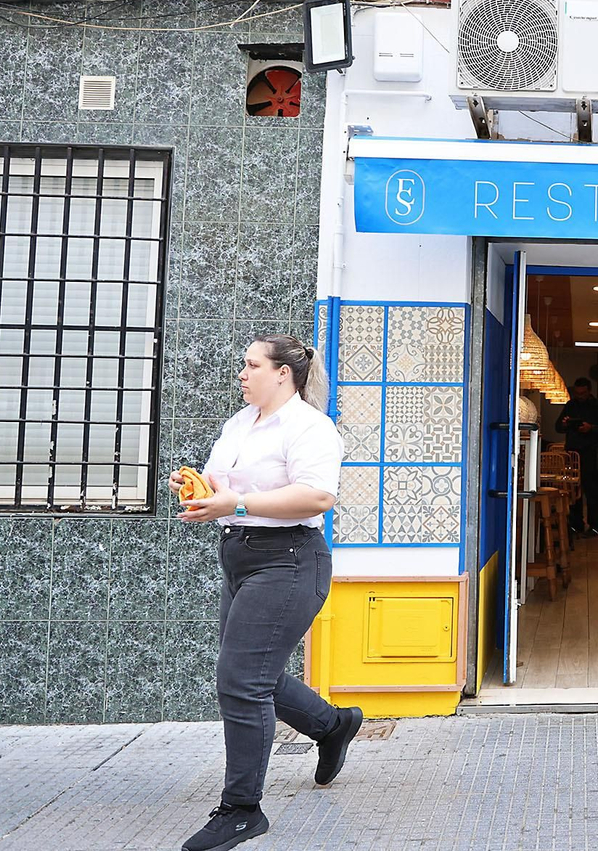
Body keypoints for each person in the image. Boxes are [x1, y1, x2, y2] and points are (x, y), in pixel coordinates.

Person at [170, 334, 364, 851]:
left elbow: (317, 495)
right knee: (255, 674)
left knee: (240, 681)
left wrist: (234, 505)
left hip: (290, 560)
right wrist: (195, 487)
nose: (242, 372)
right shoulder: (240, 423)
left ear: (283, 373)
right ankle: (332, 726)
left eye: (252, 364)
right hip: (240, 555)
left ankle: (241, 810)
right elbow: (223, 485)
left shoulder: (310, 427)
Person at [556, 377, 598, 536]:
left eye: (583, 393)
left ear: (589, 391)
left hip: (591, 452)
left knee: (592, 490)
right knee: (574, 490)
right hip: (572, 453)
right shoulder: (570, 405)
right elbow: (558, 426)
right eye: (578, 393)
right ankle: (575, 523)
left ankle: (595, 525)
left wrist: (591, 427)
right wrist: (566, 424)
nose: (580, 396)